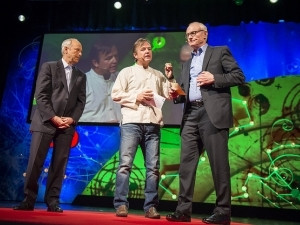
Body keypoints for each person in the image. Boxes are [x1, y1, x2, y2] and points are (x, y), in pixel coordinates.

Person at [166, 22, 245, 224]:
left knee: (218, 164)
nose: (190, 37)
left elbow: (239, 76)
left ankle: (223, 212)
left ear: (205, 34)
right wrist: (173, 85)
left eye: (194, 33)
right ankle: (183, 211)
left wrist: (214, 78)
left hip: (212, 114)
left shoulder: (219, 52)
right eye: (187, 35)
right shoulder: (186, 63)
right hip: (191, 114)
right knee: (186, 165)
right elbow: (182, 96)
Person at [13, 38, 86, 213]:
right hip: (45, 122)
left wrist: (71, 119)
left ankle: (53, 201)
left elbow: (81, 102)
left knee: (59, 164)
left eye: (81, 51)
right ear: (66, 49)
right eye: (77, 50)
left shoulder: (81, 75)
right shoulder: (49, 67)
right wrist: (53, 117)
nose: (80, 54)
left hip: (66, 126)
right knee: (35, 162)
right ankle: (28, 200)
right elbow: (41, 95)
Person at [111, 38, 175, 219]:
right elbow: (115, 94)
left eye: (149, 49)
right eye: (143, 49)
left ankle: (150, 207)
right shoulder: (127, 72)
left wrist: (170, 77)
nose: (147, 51)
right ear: (135, 54)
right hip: (132, 122)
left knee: (153, 168)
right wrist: (136, 96)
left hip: (153, 124)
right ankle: (121, 204)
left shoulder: (157, 74)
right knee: (125, 165)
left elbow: (171, 94)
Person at [79, 39, 121, 123]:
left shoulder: (121, 78)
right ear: (95, 63)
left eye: (116, 56)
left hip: (120, 133)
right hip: (93, 133)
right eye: (108, 58)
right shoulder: (83, 82)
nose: (115, 61)